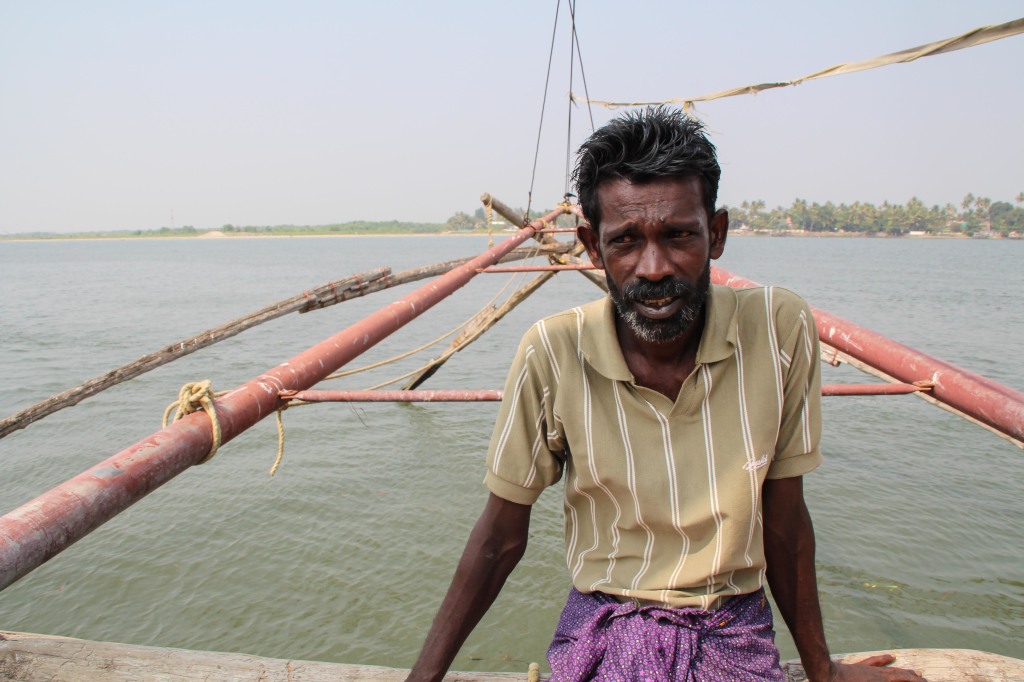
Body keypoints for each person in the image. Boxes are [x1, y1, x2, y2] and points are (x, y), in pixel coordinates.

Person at [407, 107, 925, 681]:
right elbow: (499, 538)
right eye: (625, 241)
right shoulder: (553, 352)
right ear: (593, 248)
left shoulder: (777, 327)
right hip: (606, 625)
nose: (653, 268)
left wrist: (823, 670)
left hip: (732, 627)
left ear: (717, 234)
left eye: (679, 235)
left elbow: (784, 517)